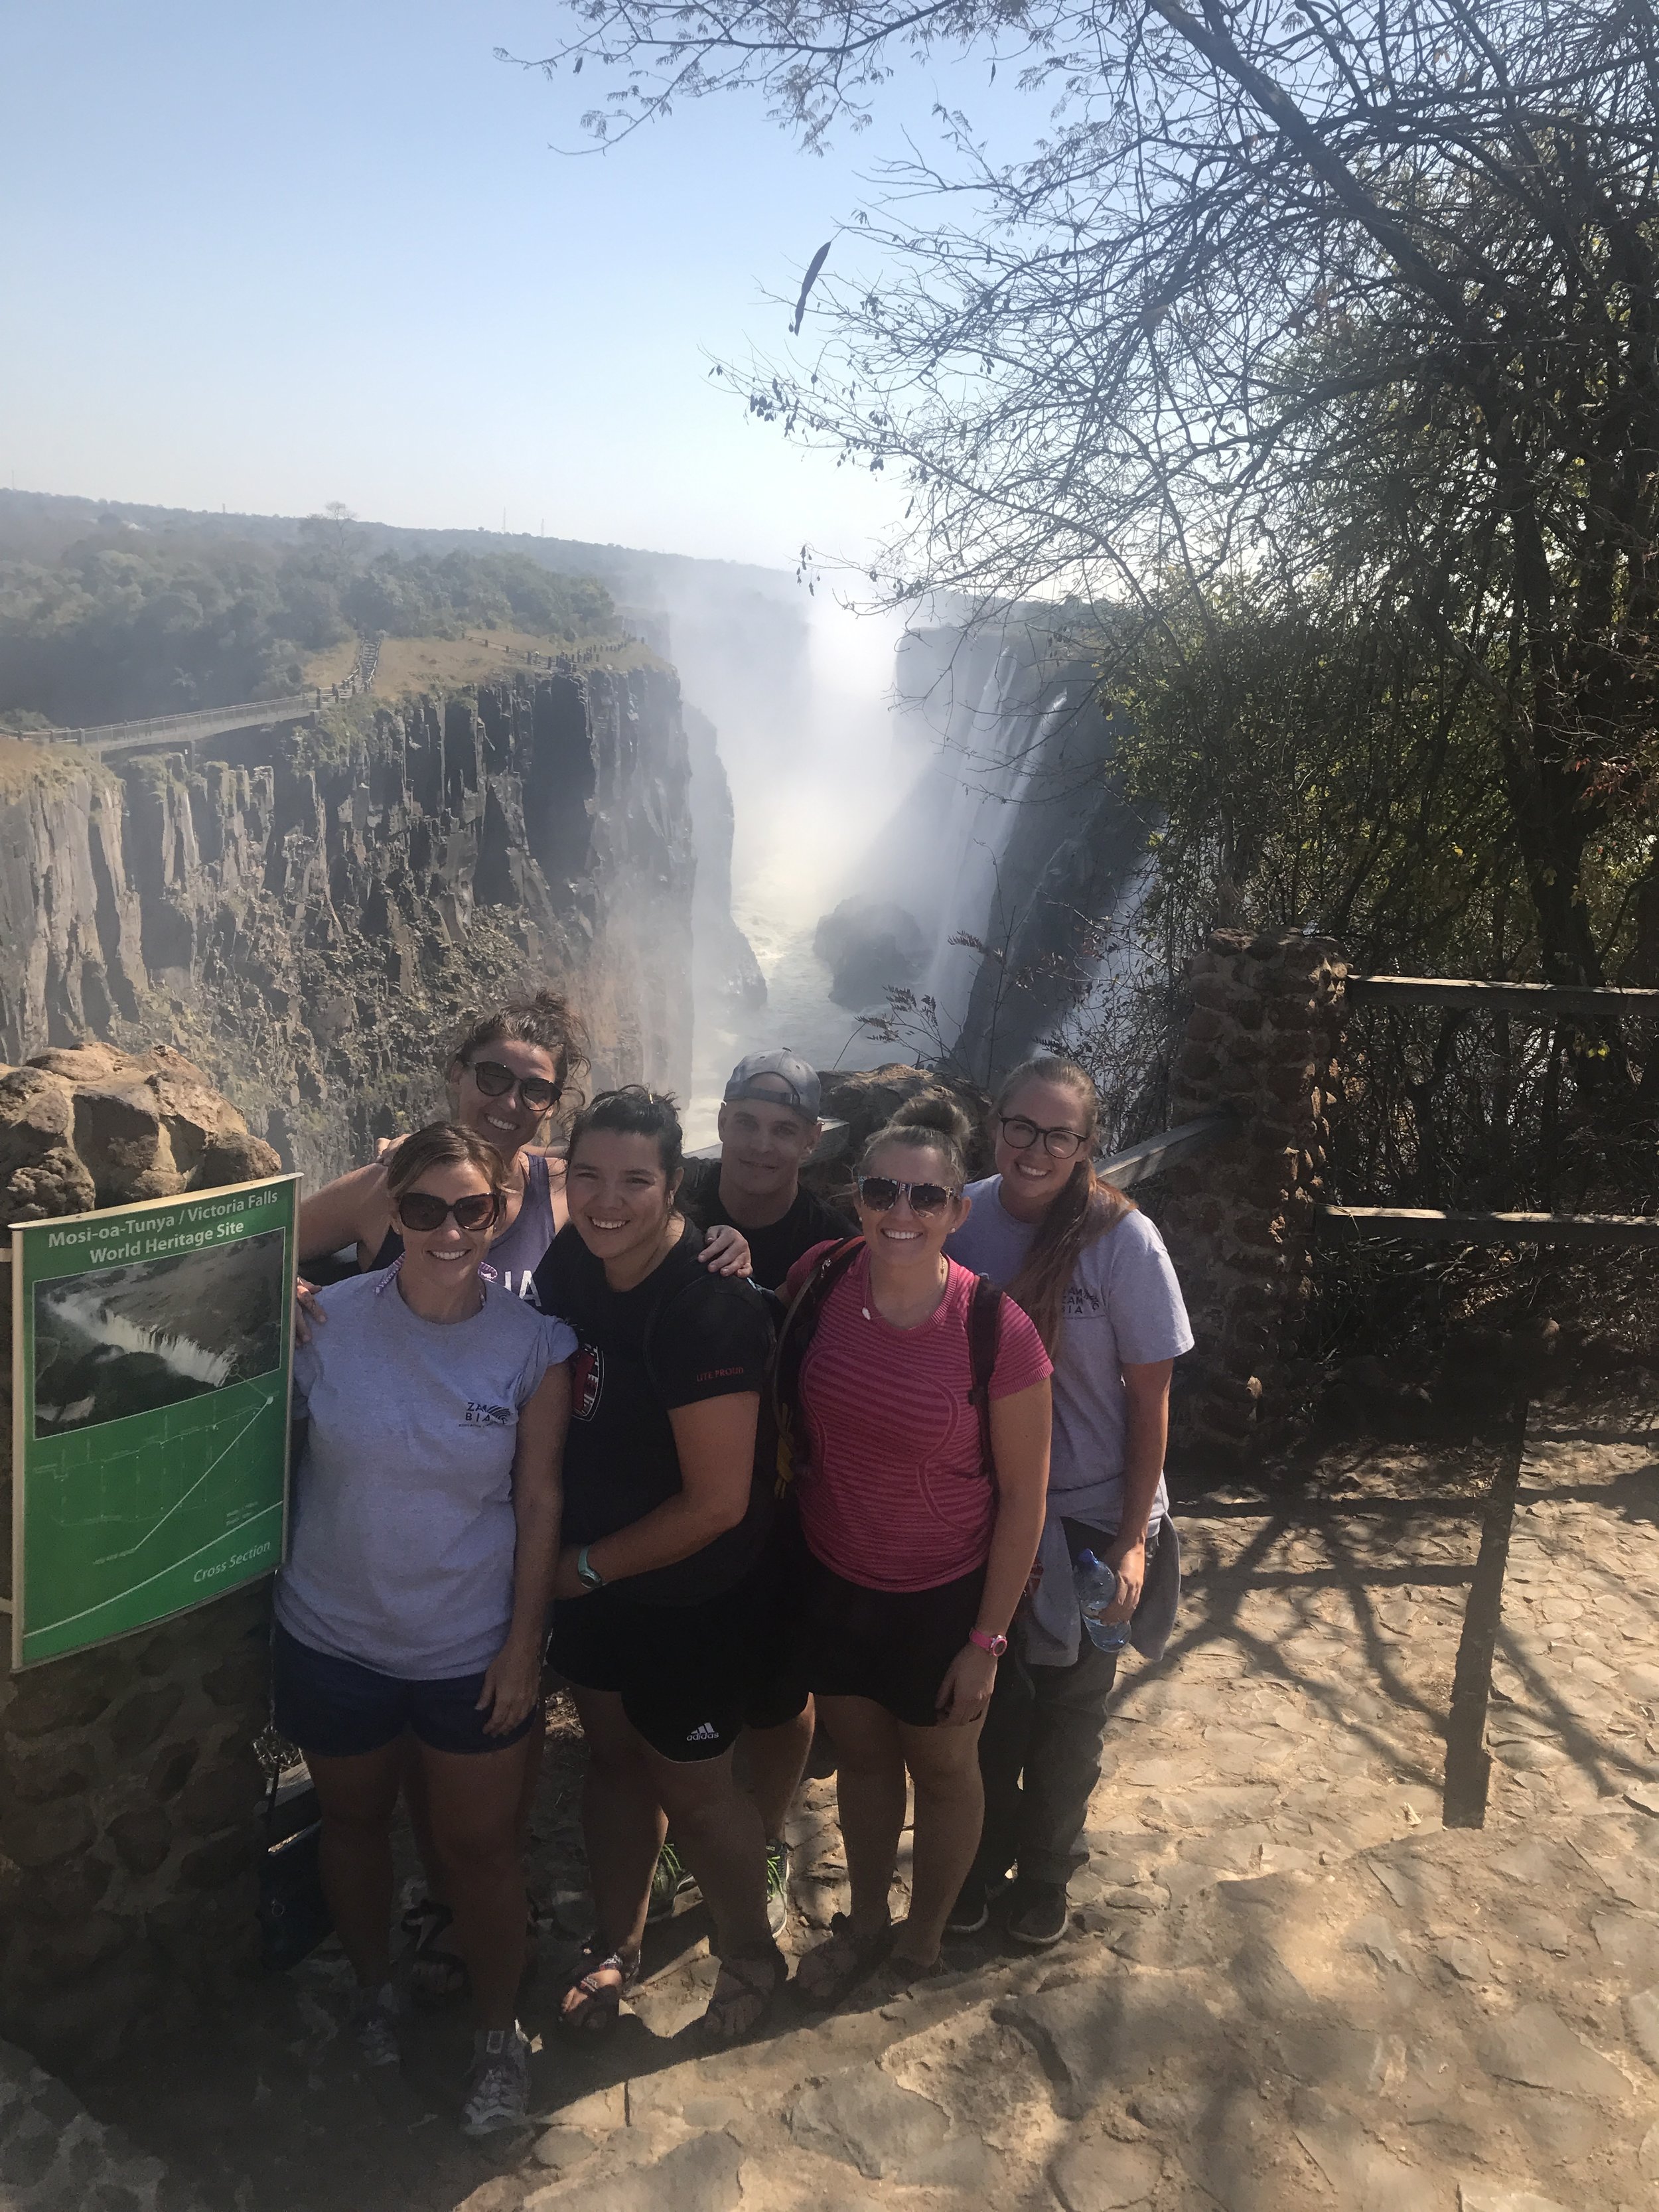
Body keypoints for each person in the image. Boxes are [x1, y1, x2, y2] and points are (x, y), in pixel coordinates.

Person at [272, 1123, 573, 2134]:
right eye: (425, 1209)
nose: (450, 1230)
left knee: (481, 1851)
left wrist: (524, 1644)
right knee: (354, 1825)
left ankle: (498, 2036)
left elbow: (541, 1503)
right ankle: (373, 1993)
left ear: (499, 1212)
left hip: (468, 1650)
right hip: (333, 1634)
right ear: (390, 1212)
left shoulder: (535, 1346)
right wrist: (271, 1295)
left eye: (472, 1210)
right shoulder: (323, 1325)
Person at [780, 1093, 1053, 2004]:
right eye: (882, 1190)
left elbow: (1025, 1497)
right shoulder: (819, 1280)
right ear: (856, 1196)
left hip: (945, 1594)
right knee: (861, 1761)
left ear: (957, 1210)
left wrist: (986, 1642)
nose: (902, 1213)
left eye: (925, 1197)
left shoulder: (996, 1331)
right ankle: (866, 1916)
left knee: (942, 1769)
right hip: (831, 1578)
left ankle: (924, 1937)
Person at [531, 1086, 788, 2043]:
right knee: (611, 1759)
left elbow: (717, 1502)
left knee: (695, 1784)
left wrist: (581, 1569)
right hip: (595, 1573)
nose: (607, 1200)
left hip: (686, 1592)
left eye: (635, 1180)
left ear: (674, 1184)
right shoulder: (574, 1259)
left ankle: (750, 1949)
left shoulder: (707, 1307)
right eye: (587, 1175)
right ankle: (617, 1937)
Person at [943, 1055, 1193, 1947]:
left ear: (1089, 1144)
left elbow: (1150, 1404)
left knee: (1071, 1716)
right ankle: (973, 1866)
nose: (1035, 1148)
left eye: (1059, 1134)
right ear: (995, 1125)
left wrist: (1133, 1541)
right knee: (987, 1712)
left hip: (1089, 1519)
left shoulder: (1124, 1242)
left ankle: (1046, 1872)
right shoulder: (959, 1220)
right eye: (1021, 1126)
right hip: (989, 1513)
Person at [666, 1047, 857, 1931]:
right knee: (681, 1673)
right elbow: (575, 1186)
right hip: (672, 1484)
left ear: (811, 1141)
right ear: (722, 1121)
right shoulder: (674, 1198)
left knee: (781, 1691)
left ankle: (771, 1831)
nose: (761, 1144)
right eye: (746, 1121)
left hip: (784, 1499)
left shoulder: (832, 1238)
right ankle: (686, 1824)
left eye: (784, 1129)